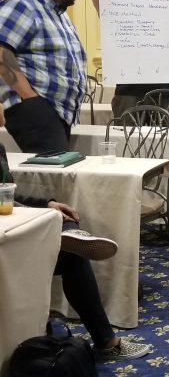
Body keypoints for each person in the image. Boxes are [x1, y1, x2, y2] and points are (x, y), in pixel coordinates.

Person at [0, 139, 151, 360]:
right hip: (7, 242)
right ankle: (106, 342)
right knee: (69, 250)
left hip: (12, 234)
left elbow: (6, 195)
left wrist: (47, 203)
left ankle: (69, 235)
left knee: (72, 253)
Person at [0, 0, 88, 153]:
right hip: (36, 106)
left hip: (55, 110)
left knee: (57, 169)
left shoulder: (57, 13)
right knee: (54, 171)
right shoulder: (22, 4)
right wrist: (30, 97)